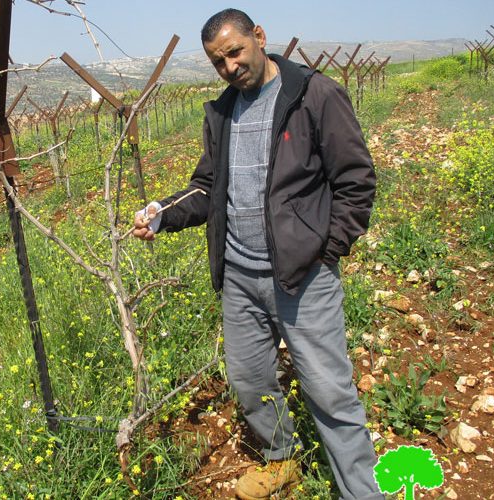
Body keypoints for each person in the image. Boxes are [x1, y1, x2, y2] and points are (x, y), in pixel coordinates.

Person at [132, 8, 382, 500]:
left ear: (259, 38)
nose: (229, 67)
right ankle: (280, 458)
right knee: (250, 384)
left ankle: (362, 491)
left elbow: (356, 181)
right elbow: (207, 188)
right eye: (217, 61)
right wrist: (163, 212)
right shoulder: (223, 112)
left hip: (302, 276)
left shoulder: (313, 94)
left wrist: (326, 251)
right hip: (241, 277)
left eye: (234, 52)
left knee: (330, 393)